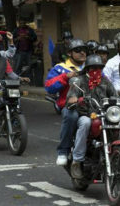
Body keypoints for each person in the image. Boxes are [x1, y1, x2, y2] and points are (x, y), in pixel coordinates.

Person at [66, 54, 120, 178]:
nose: (96, 71)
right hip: (86, 115)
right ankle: (77, 161)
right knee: (85, 123)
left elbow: (115, 96)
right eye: (93, 68)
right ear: (87, 69)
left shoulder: (105, 81)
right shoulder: (79, 81)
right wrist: (75, 100)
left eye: (98, 68)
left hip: (105, 115)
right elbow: (70, 99)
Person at [45, 38, 88, 166]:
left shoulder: (91, 66)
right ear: (69, 53)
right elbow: (49, 86)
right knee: (71, 115)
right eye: (78, 50)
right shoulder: (61, 68)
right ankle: (63, 151)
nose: (82, 53)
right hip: (71, 106)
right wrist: (65, 77)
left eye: (84, 50)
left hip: (91, 105)